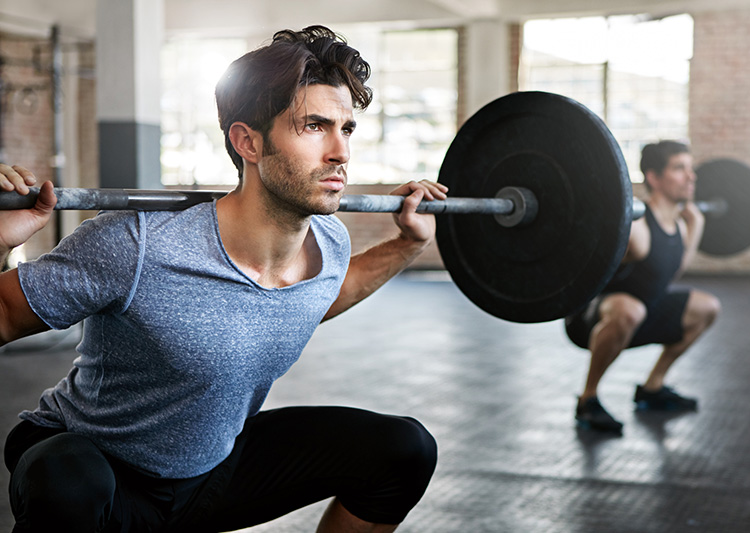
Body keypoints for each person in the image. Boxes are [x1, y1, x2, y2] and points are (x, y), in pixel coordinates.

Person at [0, 26, 445, 532]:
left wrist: (409, 243)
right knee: (65, 478)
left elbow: (320, 296)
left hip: (211, 473)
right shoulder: (138, 244)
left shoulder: (329, 244)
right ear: (247, 141)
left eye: (346, 129)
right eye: (314, 126)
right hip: (102, 475)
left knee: (402, 449)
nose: (340, 152)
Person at [565, 140, 721, 433]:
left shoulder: (679, 222)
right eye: (679, 168)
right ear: (654, 178)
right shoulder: (638, 225)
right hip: (590, 317)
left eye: (690, 168)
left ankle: (653, 387)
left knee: (707, 307)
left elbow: (670, 273)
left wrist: (696, 226)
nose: (691, 176)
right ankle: (588, 399)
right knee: (630, 310)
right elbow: (589, 254)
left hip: (642, 312)